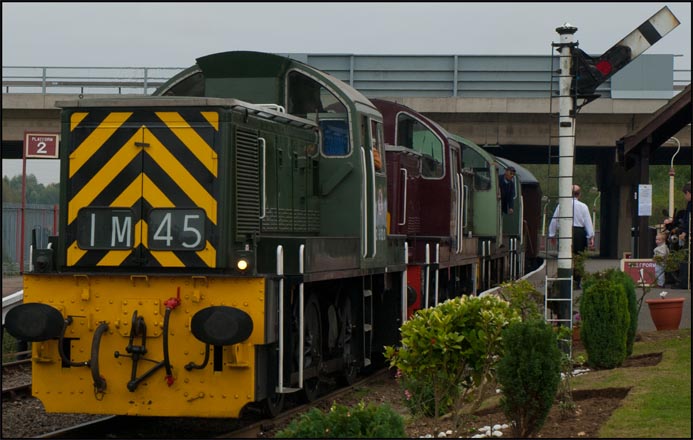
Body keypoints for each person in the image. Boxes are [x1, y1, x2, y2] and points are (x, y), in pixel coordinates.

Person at [547, 185, 595, 287]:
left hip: (565, 231)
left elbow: (555, 220)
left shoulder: (561, 205)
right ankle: (577, 282)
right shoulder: (583, 206)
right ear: (579, 194)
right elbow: (588, 222)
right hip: (579, 233)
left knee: (565, 256)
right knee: (578, 258)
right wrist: (590, 237)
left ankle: (564, 279)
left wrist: (552, 235)